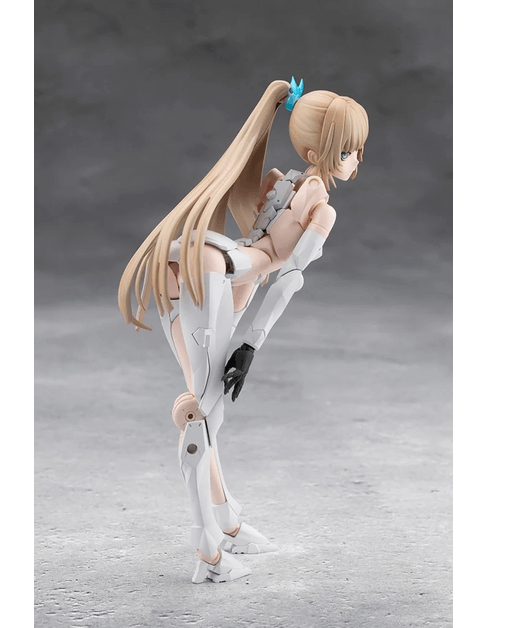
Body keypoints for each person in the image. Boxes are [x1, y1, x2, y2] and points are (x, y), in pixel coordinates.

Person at [118, 78, 369, 583]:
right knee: (203, 411)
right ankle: (208, 553)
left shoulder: (282, 183)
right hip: (222, 268)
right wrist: (251, 343)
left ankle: (227, 522)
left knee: (206, 406)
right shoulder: (319, 207)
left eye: (357, 149)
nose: (356, 159)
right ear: (319, 152)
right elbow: (289, 276)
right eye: (348, 150)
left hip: (207, 270)